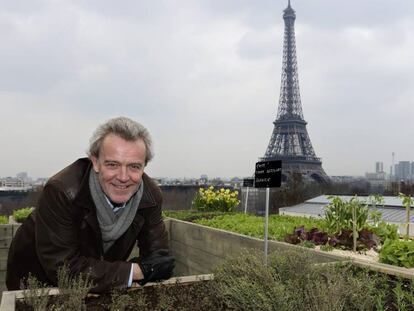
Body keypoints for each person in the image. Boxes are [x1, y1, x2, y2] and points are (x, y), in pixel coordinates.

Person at [6, 116, 175, 293]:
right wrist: (137, 271)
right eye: (112, 164)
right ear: (95, 162)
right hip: (37, 283)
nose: (123, 177)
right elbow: (63, 269)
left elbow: (158, 258)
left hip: (99, 283)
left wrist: (145, 269)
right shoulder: (62, 191)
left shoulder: (150, 196)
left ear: (144, 166)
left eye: (134, 166)